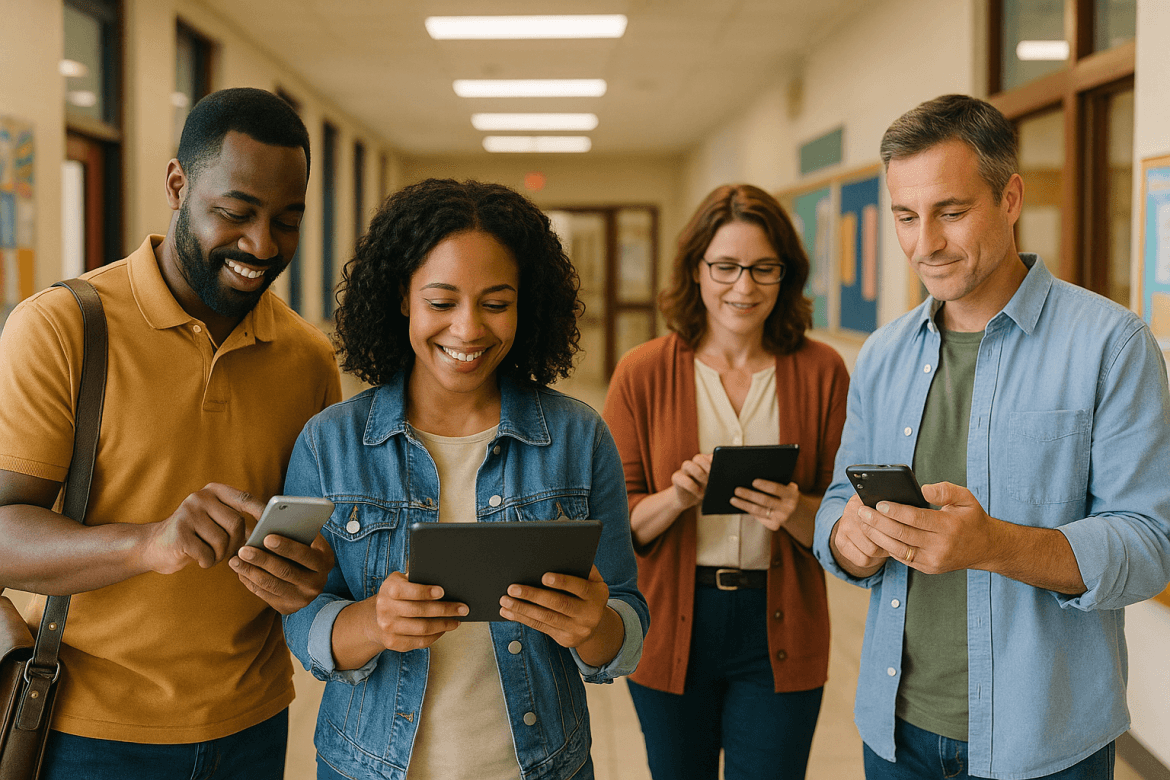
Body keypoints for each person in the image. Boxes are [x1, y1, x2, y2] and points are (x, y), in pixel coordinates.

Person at [813, 94, 1170, 779]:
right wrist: (845, 539)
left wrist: (993, 544)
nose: (925, 245)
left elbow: (1150, 546)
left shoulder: (1110, 344)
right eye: (906, 218)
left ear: (1010, 198)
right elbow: (838, 498)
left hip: (1046, 741)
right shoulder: (884, 354)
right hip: (895, 731)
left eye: (950, 213)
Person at [0, 87, 342, 779]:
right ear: (177, 184)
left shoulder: (307, 357)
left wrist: (313, 569)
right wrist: (150, 541)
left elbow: (317, 544)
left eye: (287, 221)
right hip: (83, 728)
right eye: (235, 213)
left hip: (252, 723)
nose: (261, 245)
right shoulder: (62, 328)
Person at [280, 177, 649, 780]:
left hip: (542, 766)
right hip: (368, 766)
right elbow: (301, 617)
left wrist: (597, 626)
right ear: (403, 297)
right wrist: (373, 621)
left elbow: (625, 624)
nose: (469, 329)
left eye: (496, 303)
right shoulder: (331, 442)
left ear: (525, 306)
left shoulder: (579, 438)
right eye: (442, 302)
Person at [602, 184, 849, 779]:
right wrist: (677, 497)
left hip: (780, 623)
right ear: (695, 269)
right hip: (670, 621)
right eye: (726, 267)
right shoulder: (643, 372)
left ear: (786, 274)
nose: (744, 287)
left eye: (764, 268)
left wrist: (793, 508)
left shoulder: (821, 372)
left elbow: (847, 516)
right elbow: (615, 525)